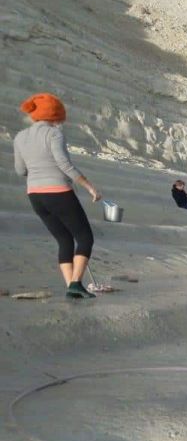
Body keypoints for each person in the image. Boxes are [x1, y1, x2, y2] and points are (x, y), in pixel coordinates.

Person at [13, 93, 102, 299]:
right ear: (55, 115)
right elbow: (64, 165)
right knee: (85, 237)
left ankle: (72, 286)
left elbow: (20, 170)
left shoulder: (19, 137)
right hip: (58, 192)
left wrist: (36, 170)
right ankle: (76, 283)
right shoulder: (54, 134)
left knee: (64, 239)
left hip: (35, 195)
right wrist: (90, 187)